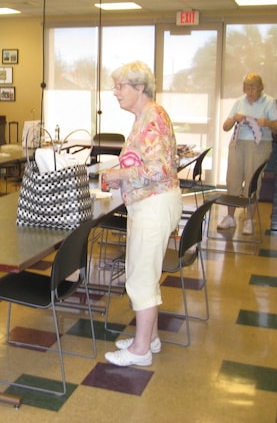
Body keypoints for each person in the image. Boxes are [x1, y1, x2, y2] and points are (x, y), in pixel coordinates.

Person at [101, 61, 183, 367]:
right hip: (150, 203)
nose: (115, 92)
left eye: (120, 86)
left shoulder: (152, 117)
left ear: (139, 88)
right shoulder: (145, 116)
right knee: (146, 273)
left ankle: (140, 350)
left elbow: (157, 169)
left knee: (140, 278)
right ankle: (151, 338)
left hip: (154, 203)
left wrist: (117, 175)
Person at [218, 73, 277, 235]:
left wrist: (265, 122)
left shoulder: (269, 102)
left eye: (252, 87)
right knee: (233, 179)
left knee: (253, 183)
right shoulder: (239, 102)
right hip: (238, 144)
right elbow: (225, 127)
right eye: (246, 87)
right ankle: (230, 217)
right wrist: (234, 119)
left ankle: (249, 219)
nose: (249, 90)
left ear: (260, 87)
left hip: (259, 145)